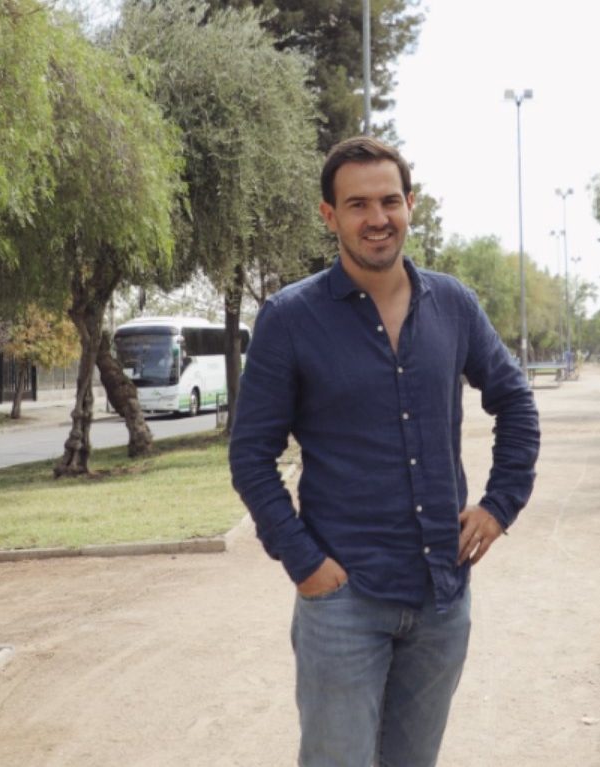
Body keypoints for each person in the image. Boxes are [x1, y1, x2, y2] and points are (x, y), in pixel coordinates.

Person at [229, 136, 540, 767]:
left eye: (390, 201)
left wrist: (499, 505)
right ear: (329, 216)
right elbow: (250, 456)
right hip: (344, 601)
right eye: (358, 205)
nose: (377, 219)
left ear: (410, 205)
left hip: (440, 600)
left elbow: (515, 401)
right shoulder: (289, 319)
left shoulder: (452, 304)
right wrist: (305, 563)